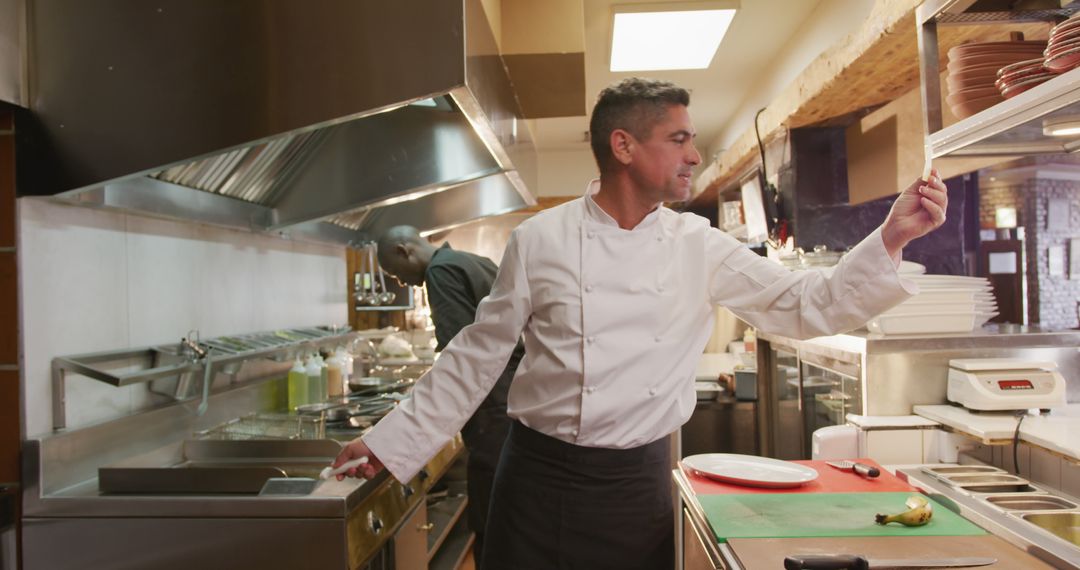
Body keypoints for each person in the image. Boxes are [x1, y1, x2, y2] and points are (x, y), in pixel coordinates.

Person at [333, 78, 948, 570]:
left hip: (638, 490)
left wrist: (891, 237)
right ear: (624, 146)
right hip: (539, 482)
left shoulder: (696, 243)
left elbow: (806, 304)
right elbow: (475, 355)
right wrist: (390, 444)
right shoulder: (540, 239)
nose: (695, 155)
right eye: (679, 139)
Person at [374, 226, 524, 565]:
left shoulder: (440, 272)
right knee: (510, 513)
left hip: (491, 406)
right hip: (511, 395)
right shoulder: (472, 260)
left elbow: (460, 355)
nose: (401, 281)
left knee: (491, 517)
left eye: (396, 273)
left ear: (404, 250)